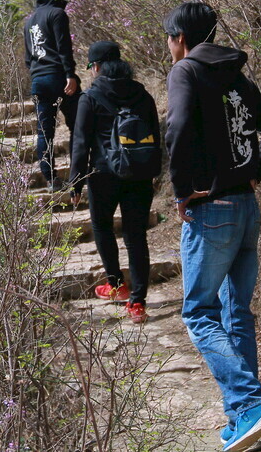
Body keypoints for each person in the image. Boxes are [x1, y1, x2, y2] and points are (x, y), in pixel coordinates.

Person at [163, 2, 261, 452]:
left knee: (198, 312)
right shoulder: (235, 77)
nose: (168, 47)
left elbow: (176, 128)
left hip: (211, 209)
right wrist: (255, 170)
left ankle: (251, 403)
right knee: (236, 312)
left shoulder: (186, 72)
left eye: (169, 38)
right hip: (246, 206)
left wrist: (184, 191)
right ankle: (245, 415)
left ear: (180, 37)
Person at [69, 41, 161, 324]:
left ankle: (116, 284)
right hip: (139, 174)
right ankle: (138, 303)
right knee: (136, 236)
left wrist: (75, 183)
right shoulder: (142, 95)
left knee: (102, 226)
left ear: (96, 66)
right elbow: (156, 135)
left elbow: (81, 143)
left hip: (103, 174)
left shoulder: (91, 97)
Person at [23, 0, 78, 191]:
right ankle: (78, 175)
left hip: (39, 80)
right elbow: (64, 47)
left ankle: (51, 180)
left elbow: (29, 59)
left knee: (44, 133)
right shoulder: (57, 14)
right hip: (59, 78)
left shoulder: (29, 22)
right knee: (77, 125)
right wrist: (70, 74)